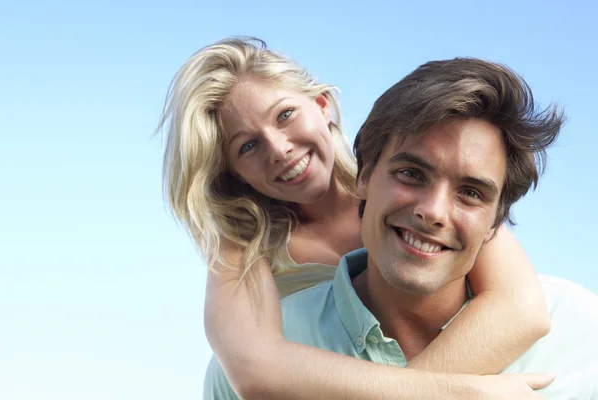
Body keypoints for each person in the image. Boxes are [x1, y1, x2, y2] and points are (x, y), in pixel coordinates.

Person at [157, 38, 554, 399]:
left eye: (285, 115)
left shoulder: (408, 181)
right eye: (247, 146)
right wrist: (454, 393)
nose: (278, 149)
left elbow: (521, 308)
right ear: (233, 174)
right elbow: (255, 372)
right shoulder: (242, 245)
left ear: (323, 104)